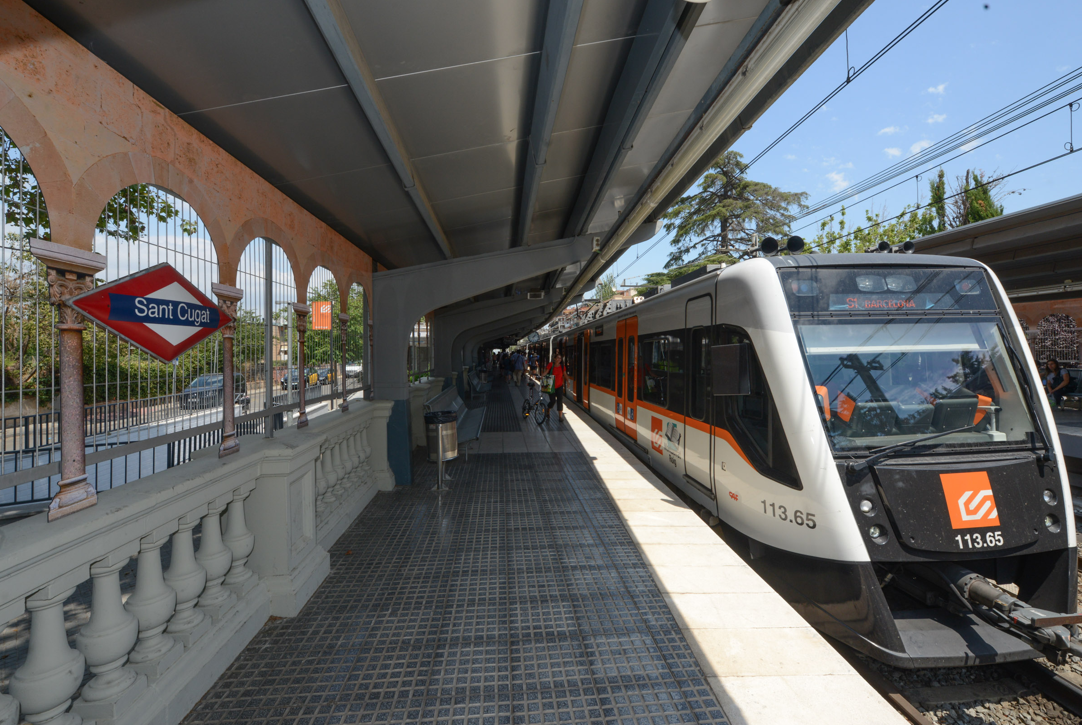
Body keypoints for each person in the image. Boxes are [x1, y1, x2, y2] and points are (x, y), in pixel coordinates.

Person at [544, 352, 567, 422]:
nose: (559, 359)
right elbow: (546, 371)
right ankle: (548, 409)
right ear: (554, 358)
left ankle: (560, 416)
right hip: (551, 386)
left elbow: (565, 374)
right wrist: (542, 376)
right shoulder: (551, 364)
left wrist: (568, 381)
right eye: (558, 358)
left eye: (560, 358)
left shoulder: (562, 366)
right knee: (552, 401)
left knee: (560, 401)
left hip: (559, 386)